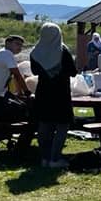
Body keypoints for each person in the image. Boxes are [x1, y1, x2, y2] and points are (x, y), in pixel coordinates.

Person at [30, 22, 78, 169]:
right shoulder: (63, 51)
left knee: (45, 125)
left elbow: (35, 72)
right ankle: (55, 158)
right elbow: (73, 71)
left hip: (43, 92)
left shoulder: (35, 52)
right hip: (61, 93)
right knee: (62, 125)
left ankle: (44, 158)